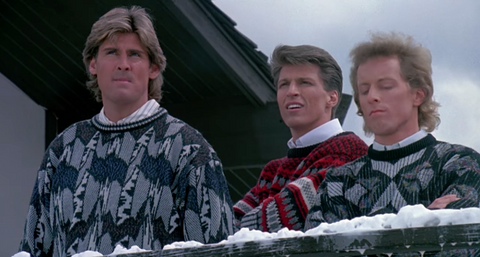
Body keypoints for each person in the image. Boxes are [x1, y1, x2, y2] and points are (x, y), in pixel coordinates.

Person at [19, 6, 234, 257]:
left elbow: (220, 252)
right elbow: (32, 249)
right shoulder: (63, 149)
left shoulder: (190, 151)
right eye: (112, 52)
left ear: (153, 67)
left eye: (134, 54)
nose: (123, 64)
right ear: (93, 64)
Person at [305, 32, 480, 230]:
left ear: (418, 94)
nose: (372, 97)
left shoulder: (462, 165)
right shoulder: (339, 181)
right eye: (364, 90)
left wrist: (358, 236)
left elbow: (458, 246)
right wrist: (423, 222)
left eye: (385, 86)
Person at [233, 45, 368, 232]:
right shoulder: (272, 171)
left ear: (332, 98)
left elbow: (284, 220)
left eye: (304, 82)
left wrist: (241, 229)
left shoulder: (350, 151)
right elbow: (226, 225)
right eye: (284, 84)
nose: (291, 91)